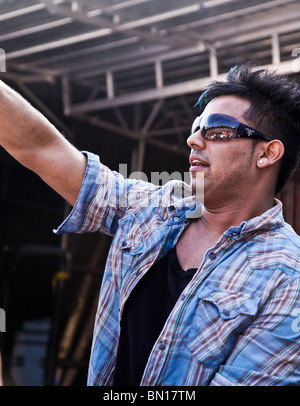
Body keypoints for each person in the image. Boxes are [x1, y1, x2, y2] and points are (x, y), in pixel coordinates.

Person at [1, 64, 300, 386]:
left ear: (268, 153)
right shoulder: (151, 211)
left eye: (217, 131)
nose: (193, 140)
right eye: (196, 128)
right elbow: (41, 148)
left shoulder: (287, 275)